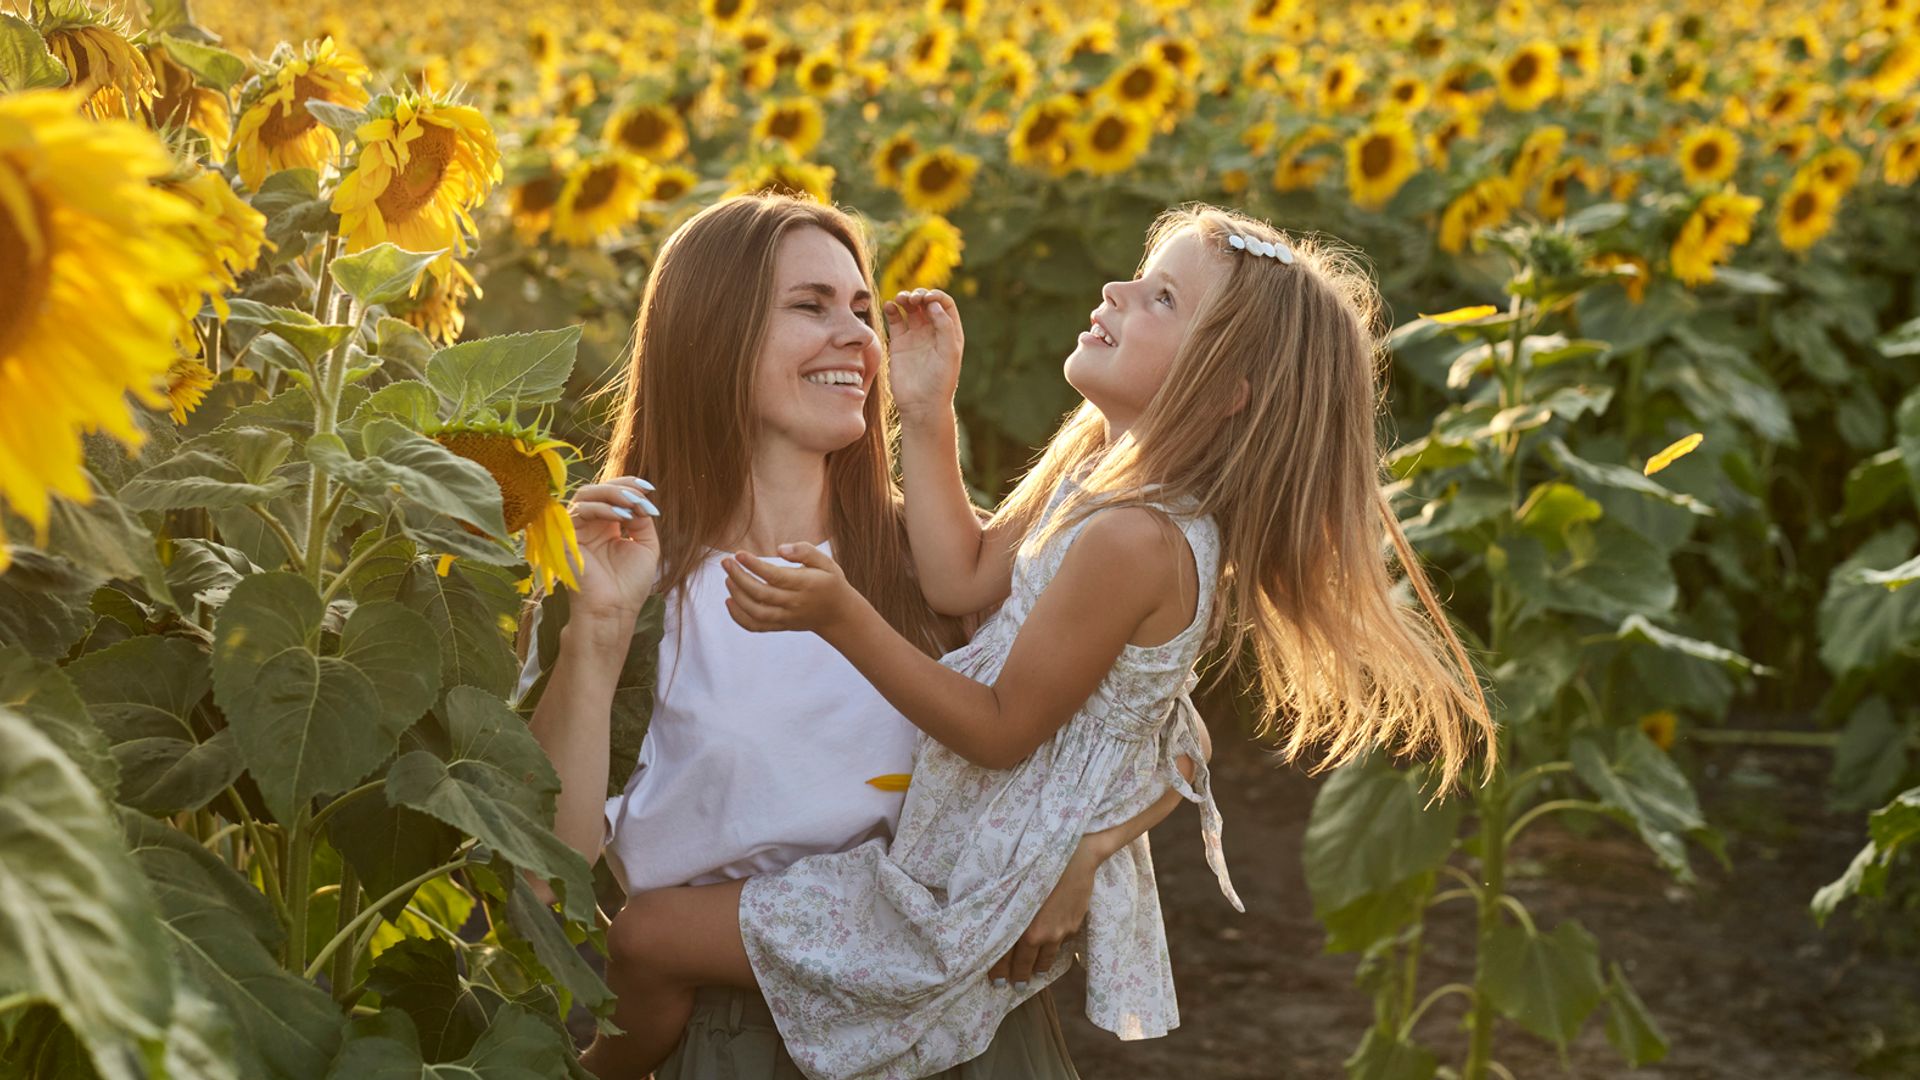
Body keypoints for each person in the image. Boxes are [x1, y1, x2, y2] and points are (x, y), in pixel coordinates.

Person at [587, 202, 1497, 1080]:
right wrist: (929, 412)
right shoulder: (1094, 482)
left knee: (648, 938)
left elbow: (997, 730)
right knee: (657, 941)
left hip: (961, 891)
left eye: (1161, 299)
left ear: (1222, 391)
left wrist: (842, 618)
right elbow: (960, 578)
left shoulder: (1134, 541)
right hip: (962, 864)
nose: (1115, 292)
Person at [525, 192, 1187, 1080]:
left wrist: (1085, 850)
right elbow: (542, 885)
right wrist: (595, 635)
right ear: (708, 335)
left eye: (862, 311)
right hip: (733, 1039)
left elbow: (1175, 738)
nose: (858, 337)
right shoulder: (622, 581)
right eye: (810, 307)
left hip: (961, 1046)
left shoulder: (945, 566)